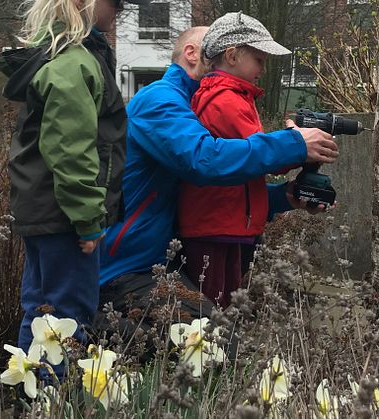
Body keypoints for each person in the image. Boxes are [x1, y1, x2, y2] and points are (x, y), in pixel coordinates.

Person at [95, 26, 338, 323]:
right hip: (125, 271)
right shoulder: (160, 101)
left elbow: (210, 193)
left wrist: (285, 196)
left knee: (218, 339)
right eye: (214, 51)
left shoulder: (197, 105)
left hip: (160, 262)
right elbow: (204, 160)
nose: (222, 58)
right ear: (192, 53)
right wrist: (294, 143)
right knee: (213, 345)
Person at [0, 0, 146, 358]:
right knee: (67, 316)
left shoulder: (56, 59)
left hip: (43, 212)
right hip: (65, 217)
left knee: (40, 311)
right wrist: (88, 221)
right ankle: (52, 401)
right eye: (115, 4)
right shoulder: (75, 64)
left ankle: (31, 400)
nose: (118, 13)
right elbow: (71, 150)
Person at [178, 12, 294, 307]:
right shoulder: (225, 99)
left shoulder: (235, 96)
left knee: (219, 306)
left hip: (224, 223)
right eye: (259, 59)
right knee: (213, 309)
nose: (263, 69)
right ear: (231, 55)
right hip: (216, 226)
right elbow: (265, 157)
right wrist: (300, 145)